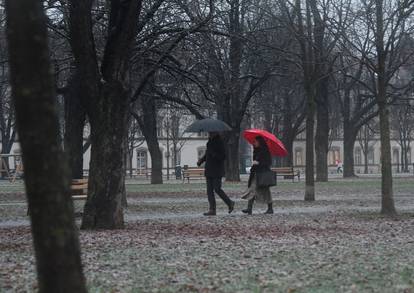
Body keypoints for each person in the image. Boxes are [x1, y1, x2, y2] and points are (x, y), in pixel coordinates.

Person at [197, 132, 235, 216]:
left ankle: (230, 203)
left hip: (217, 170)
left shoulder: (220, 142)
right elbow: (207, 154)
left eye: (211, 132)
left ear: (215, 133)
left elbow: (223, 156)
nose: (209, 134)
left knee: (217, 189)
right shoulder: (209, 142)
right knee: (209, 191)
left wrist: (214, 154)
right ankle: (212, 209)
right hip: (209, 169)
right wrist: (201, 161)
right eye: (209, 133)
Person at [241, 136, 273, 215]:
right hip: (255, 174)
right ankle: (249, 208)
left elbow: (268, 163)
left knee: (265, 191)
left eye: (255, 141)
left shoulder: (265, 151)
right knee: (252, 189)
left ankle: (270, 208)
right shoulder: (256, 151)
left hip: (262, 174)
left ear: (260, 142)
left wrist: (259, 163)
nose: (254, 143)